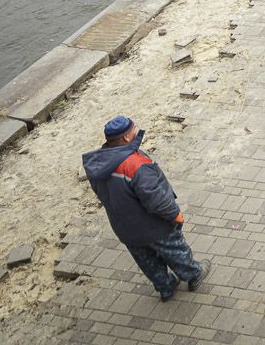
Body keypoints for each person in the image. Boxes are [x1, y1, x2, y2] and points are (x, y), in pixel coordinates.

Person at [82, 116, 209, 302]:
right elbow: (156, 199)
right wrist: (175, 214)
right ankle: (193, 274)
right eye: (134, 129)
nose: (136, 131)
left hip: (125, 228)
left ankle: (165, 287)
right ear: (126, 137)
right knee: (175, 251)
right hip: (154, 225)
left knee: (147, 261)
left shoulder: (97, 164)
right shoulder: (135, 165)